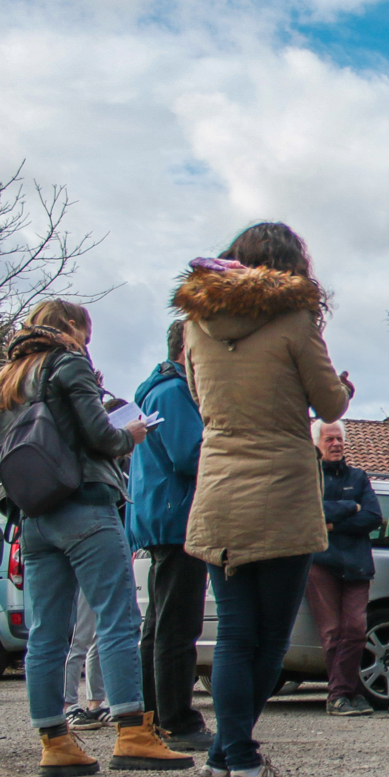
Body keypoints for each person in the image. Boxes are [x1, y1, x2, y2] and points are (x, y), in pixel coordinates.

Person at [175, 224, 353, 777]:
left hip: (218, 488)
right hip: (282, 489)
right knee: (270, 639)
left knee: (233, 634)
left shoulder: (194, 324)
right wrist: (342, 388)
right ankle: (245, 764)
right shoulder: (295, 320)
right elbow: (329, 404)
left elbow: (200, 399)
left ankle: (223, 763)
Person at [0, 300, 190, 777]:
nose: (86, 344)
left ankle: (55, 742)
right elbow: (101, 437)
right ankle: (133, 733)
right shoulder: (68, 362)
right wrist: (130, 434)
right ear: (71, 326)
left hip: (34, 516)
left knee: (46, 634)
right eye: (86, 335)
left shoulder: (7, 378)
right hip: (85, 505)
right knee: (117, 619)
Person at [127, 318, 212, 751]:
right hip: (179, 519)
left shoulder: (156, 391)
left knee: (160, 624)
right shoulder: (175, 392)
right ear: (187, 349)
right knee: (178, 625)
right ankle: (177, 720)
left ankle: (153, 713)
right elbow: (191, 455)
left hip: (162, 517)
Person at [308, 420, 383, 717]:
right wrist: (350, 507)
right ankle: (344, 695)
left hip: (357, 565)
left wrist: (332, 524)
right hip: (321, 563)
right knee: (332, 633)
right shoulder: (309, 477)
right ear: (317, 443)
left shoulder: (358, 476)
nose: (336, 444)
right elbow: (310, 512)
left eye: (339, 438)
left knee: (355, 631)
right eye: (330, 439)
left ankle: (342, 694)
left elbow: (373, 516)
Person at [61, 595, 106, 730]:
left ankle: (96, 705)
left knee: (100, 640)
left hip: (105, 581)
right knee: (80, 639)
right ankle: (67, 706)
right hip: (83, 584)